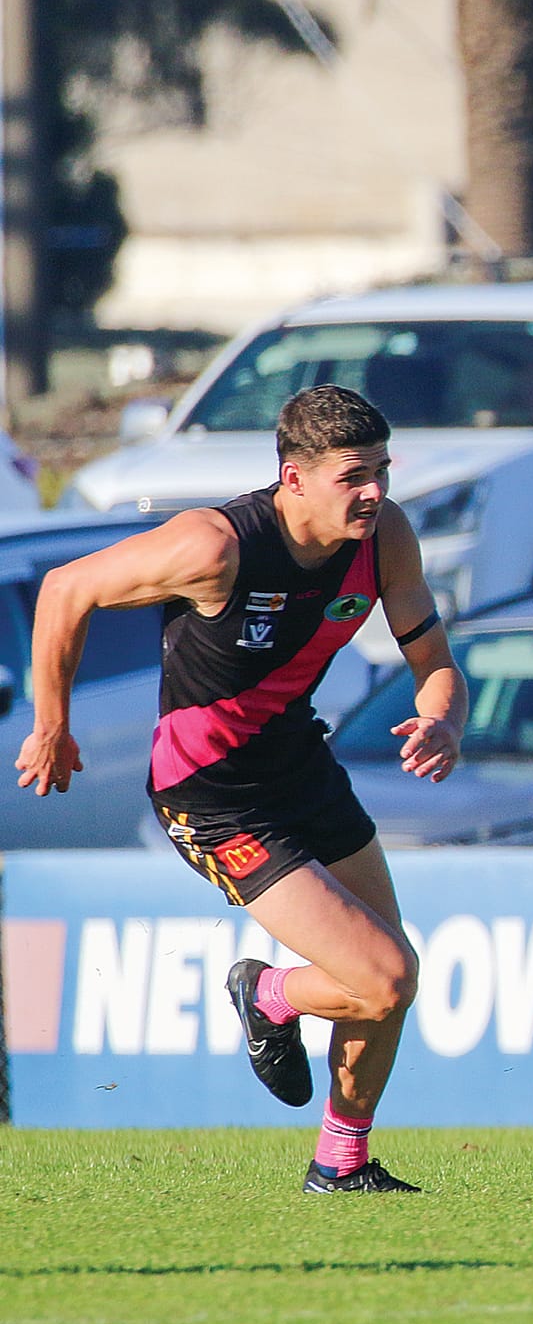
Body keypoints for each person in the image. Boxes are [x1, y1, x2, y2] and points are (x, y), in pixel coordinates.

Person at [16, 384, 466, 1194]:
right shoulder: (213, 547)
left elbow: (434, 664)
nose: (375, 493)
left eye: (383, 471)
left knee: (388, 987)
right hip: (210, 794)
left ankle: (341, 1164)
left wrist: (442, 721)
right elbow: (63, 590)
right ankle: (268, 992)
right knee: (384, 975)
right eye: (354, 477)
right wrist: (52, 725)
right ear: (293, 478)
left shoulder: (385, 536)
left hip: (298, 763)